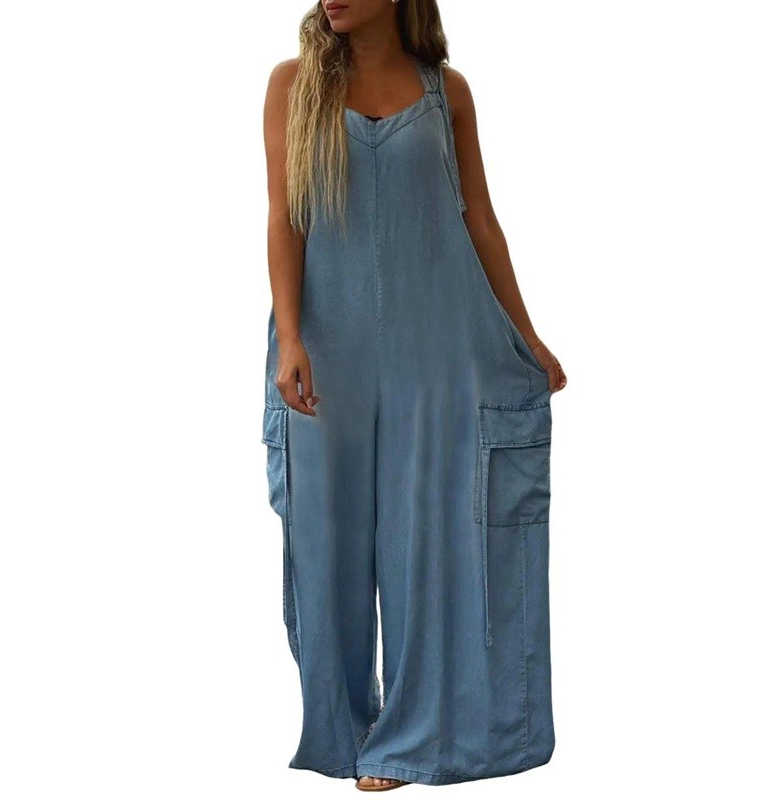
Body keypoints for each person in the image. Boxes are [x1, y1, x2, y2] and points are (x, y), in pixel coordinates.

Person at [261, 0, 567, 791]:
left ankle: (409, 738)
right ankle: (341, 734)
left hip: (437, 349)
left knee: (428, 540)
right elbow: (285, 217)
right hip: (325, 354)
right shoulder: (294, 84)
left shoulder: (445, 91)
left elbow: (480, 220)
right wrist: (290, 338)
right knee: (323, 543)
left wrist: (525, 336)